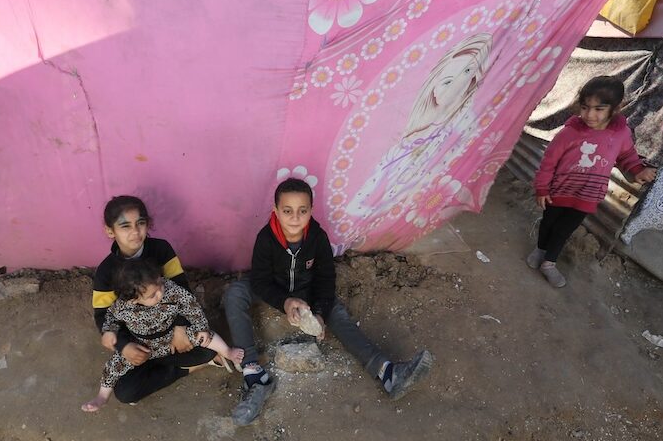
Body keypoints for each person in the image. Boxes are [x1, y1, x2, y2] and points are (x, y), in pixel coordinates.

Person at [224, 178, 434, 426]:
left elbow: (325, 280)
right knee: (235, 293)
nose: (295, 218)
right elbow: (260, 281)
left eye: (302, 211)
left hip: (306, 292)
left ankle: (387, 372)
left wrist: (320, 313)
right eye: (287, 211)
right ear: (276, 211)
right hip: (274, 289)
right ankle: (254, 376)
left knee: (337, 311)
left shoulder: (317, 237)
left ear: (311, 211)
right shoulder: (266, 238)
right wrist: (285, 301)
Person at [345, 33, 493, 229]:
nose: (460, 83)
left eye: (468, 71)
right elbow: (364, 196)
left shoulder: (463, 121)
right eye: (448, 82)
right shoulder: (409, 138)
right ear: (434, 89)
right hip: (392, 188)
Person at [91, 195, 221, 405]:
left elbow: (182, 291)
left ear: (148, 224)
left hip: (171, 333)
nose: (135, 231)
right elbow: (103, 316)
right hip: (139, 341)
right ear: (110, 231)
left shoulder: (161, 249)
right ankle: (185, 367)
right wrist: (125, 346)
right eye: (125, 226)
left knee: (208, 346)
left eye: (140, 223)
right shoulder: (106, 272)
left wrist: (180, 328)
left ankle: (188, 362)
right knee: (125, 393)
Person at [528, 76, 657, 287]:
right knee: (548, 223)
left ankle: (549, 263)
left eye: (599, 109)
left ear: (616, 109)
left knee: (564, 230)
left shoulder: (620, 134)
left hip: (587, 195)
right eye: (585, 107)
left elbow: (627, 156)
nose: (589, 115)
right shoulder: (569, 133)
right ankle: (540, 250)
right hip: (559, 191)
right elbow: (548, 162)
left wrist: (638, 170)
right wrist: (542, 188)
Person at [83, 260, 244, 412]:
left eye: (160, 283)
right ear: (133, 300)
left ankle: (227, 352)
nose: (160, 292)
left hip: (172, 339)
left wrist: (201, 328)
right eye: (153, 295)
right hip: (141, 346)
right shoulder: (123, 307)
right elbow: (110, 318)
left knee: (206, 337)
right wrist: (109, 332)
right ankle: (102, 397)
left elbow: (191, 306)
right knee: (115, 367)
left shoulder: (170, 289)